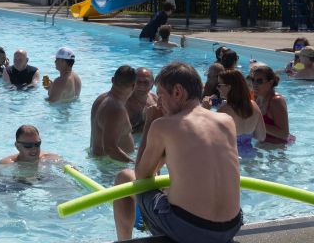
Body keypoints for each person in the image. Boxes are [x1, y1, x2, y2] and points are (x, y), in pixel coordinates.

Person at [113, 62, 243, 242]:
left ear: (177, 92)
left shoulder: (162, 126)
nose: (158, 104)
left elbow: (142, 177)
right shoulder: (226, 120)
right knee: (171, 188)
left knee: (124, 177)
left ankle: (123, 241)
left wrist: (149, 123)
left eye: (160, 96)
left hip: (189, 230)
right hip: (231, 226)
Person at [90, 65, 137, 163]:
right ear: (133, 86)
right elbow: (110, 149)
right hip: (111, 165)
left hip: (102, 160)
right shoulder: (116, 109)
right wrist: (134, 164)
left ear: (112, 80)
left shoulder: (100, 99)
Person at [216, 69, 266, 158]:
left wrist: (205, 110)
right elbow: (261, 137)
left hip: (231, 157)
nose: (217, 88)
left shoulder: (224, 110)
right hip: (250, 156)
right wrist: (245, 135)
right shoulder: (254, 106)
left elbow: (211, 138)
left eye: (219, 84)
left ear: (229, 87)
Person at [251, 64, 295, 143]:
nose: (254, 84)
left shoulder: (276, 101)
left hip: (278, 146)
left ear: (270, 83)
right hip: (263, 142)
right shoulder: (257, 96)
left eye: (259, 81)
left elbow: (284, 134)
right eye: (253, 80)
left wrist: (256, 123)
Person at [125, 67, 158, 133]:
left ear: (152, 85)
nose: (142, 86)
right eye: (138, 81)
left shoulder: (155, 99)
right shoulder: (124, 103)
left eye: (146, 82)